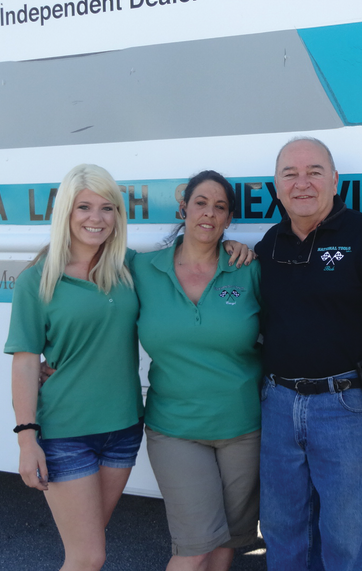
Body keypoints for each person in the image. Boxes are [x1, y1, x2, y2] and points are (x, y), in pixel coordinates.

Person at [254, 137, 362, 571]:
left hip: (347, 408)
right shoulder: (269, 245)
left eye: (314, 172)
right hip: (278, 406)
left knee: (345, 542)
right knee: (282, 534)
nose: (302, 183)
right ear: (276, 185)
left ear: (335, 181)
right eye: (290, 174)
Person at [6, 163, 143, 571]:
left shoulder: (130, 268)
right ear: (66, 212)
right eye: (84, 207)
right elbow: (26, 362)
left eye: (107, 208)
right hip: (66, 433)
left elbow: (192, 262)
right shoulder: (37, 280)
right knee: (88, 556)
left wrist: (233, 247)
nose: (96, 219)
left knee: (87, 547)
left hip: (122, 429)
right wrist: (26, 439)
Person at [134, 170, 262, 571]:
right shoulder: (143, 269)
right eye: (201, 203)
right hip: (175, 428)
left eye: (220, 207)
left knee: (227, 542)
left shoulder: (248, 268)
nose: (209, 213)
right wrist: (57, 359)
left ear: (229, 219)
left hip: (243, 428)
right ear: (183, 208)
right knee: (193, 547)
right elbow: (95, 304)